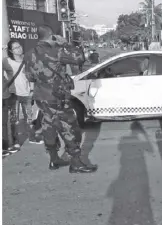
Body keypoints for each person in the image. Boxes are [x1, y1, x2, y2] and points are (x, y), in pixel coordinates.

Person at [24, 24, 97, 173]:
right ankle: (75, 163)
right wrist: (66, 44)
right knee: (69, 127)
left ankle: (53, 159)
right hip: (57, 97)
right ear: (51, 36)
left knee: (48, 126)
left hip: (41, 96)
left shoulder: (29, 53)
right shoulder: (56, 51)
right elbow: (79, 59)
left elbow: (30, 76)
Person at [3, 40, 44, 147]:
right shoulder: (6, 61)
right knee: (15, 119)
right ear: (11, 51)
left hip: (27, 94)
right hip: (13, 94)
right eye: (16, 48)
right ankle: (16, 141)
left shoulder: (27, 60)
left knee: (29, 119)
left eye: (19, 46)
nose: (19, 49)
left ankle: (32, 137)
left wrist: (32, 90)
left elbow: (32, 76)